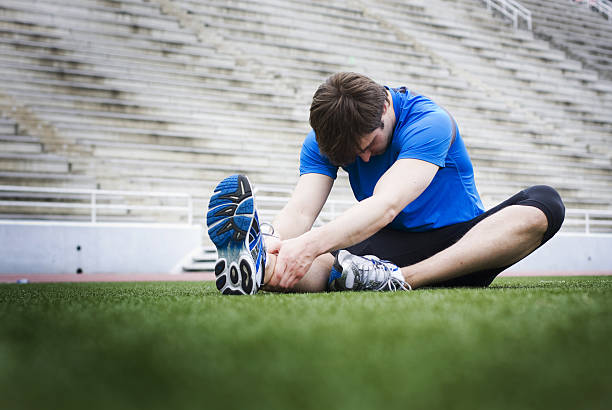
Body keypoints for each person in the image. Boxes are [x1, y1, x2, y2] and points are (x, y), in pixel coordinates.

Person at [206, 72, 565, 295]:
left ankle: (399, 279)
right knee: (322, 261)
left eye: (368, 147)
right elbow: (301, 210)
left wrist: (307, 244)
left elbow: (386, 204)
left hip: (464, 244)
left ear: (385, 110)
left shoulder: (429, 121)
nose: (363, 160)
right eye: (352, 158)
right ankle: (254, 267)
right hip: (389, 246)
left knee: (544, 203)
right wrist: (276, 244)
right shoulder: (324, 140)